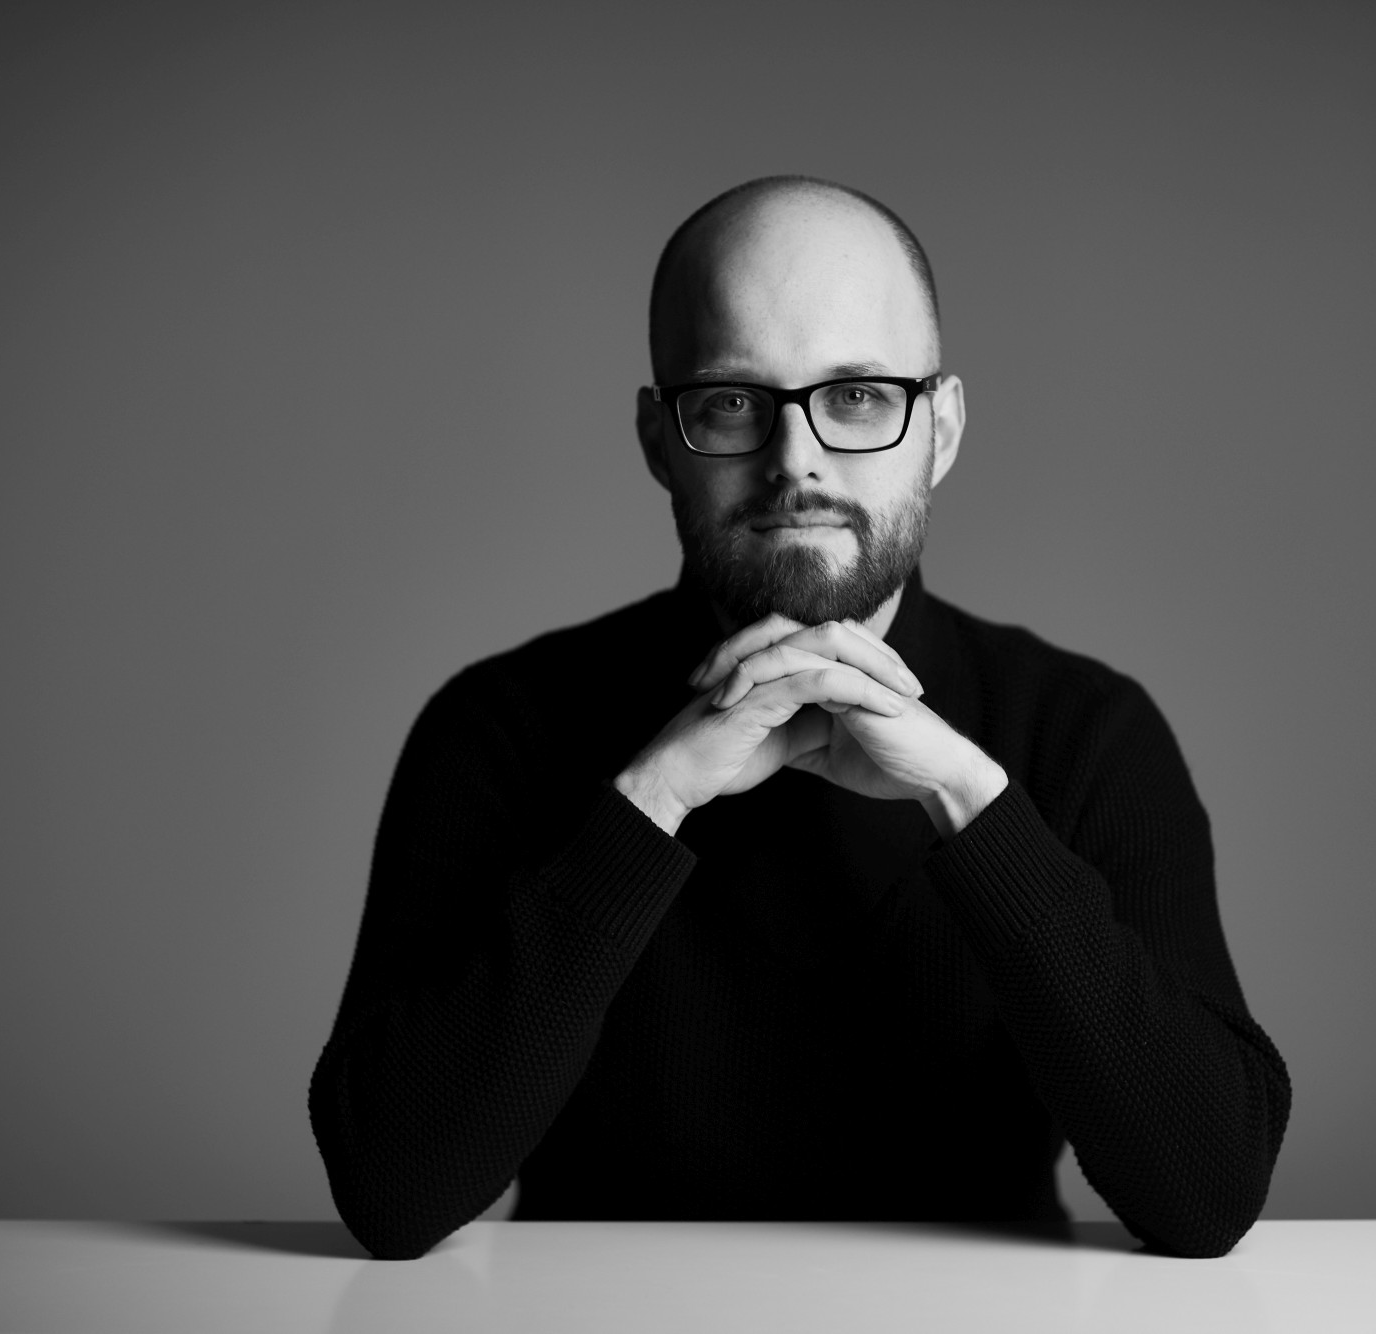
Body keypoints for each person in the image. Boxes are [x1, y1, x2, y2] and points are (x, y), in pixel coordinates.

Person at [308, 176, 1291, 1261]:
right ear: (658, 439)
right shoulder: (500, 727)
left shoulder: (1083, 731)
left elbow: (1205, 1193)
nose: (796, 461)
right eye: (732, 402)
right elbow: (392, 1190)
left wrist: (971, 802)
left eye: (858, 396)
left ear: (942, 430)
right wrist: (649, 801)